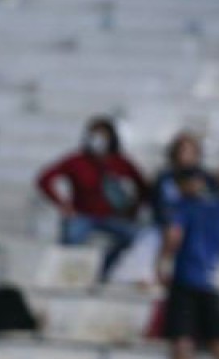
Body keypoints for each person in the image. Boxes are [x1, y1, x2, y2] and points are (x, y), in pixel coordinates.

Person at [157, 169, 219, 359]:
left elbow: (173, 237)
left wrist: (161, 264)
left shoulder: (185, 207)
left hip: (185, 279)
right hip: (214, 283)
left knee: (182, 340)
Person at [35, 117, 148, 280]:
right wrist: (62, 204)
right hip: (83, 215)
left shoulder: (120, 162)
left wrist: (134, 208)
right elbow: (45, 179)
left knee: (136, 236)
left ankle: (102, 270)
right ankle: (70, 276)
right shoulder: (76, 160)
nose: (98, 141)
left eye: (103, 136)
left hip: (113, 216)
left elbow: (143, 186)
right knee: (71, 238)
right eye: (94, 135)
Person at [152, 131, 219, 227]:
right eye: (182, 151)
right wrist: (182, 192)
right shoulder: (165, 179)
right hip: (170, 227)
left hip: (201, 227)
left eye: (191, 152)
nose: (187, 156)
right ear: (174, 154)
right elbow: (161, 208)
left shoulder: (206, 178)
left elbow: (217, 202)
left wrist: (201, 192)